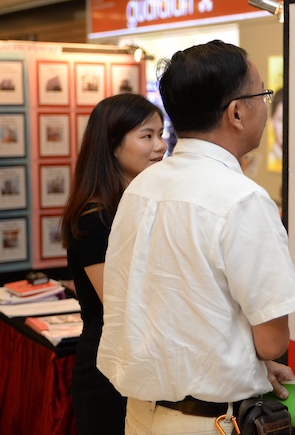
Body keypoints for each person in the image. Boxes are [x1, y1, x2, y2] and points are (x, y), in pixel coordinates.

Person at [97, 40, 295, 435]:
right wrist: (253, 357)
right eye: (263, 93)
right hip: (211, 422)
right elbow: (273, 341)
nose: (266, 104)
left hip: (141, 415)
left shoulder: (141, 188)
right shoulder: (243, 200)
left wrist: (243, 358)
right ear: (237, 112)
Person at [62, 93, 166, 435]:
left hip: (141, 362)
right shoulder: (94, 218)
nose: (160, 145)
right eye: (147, 135)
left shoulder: (138, 204)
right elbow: (121, 301)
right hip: (107, 370)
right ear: (112, 145)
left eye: (161, 133)